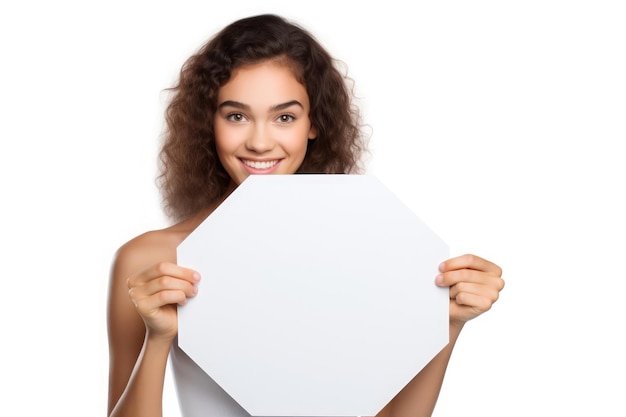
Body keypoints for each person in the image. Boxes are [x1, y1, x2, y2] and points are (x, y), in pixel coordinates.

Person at [107, 13, 504, 417]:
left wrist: (446, 326)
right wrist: (157, 340)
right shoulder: (150, 258)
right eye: (236, 116)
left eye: (284, 117)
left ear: (313, 124)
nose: (260, 142)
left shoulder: (366, 251)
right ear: (209, 122)